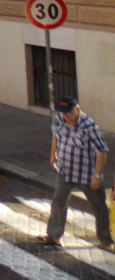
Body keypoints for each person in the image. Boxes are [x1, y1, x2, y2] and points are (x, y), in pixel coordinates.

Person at [38, 96, 112, 251]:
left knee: (99, 205)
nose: (65, 116)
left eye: (68, 113)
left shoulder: (90, 126)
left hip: (86, 174)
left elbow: (102, 152)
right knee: (58, 201)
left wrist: (97, 176)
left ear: (77, 110)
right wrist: (53, 154)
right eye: (63, 112)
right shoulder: (59, 118)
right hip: (65, 170)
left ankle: (106, 240)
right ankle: (54, 236)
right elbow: (56, 134)